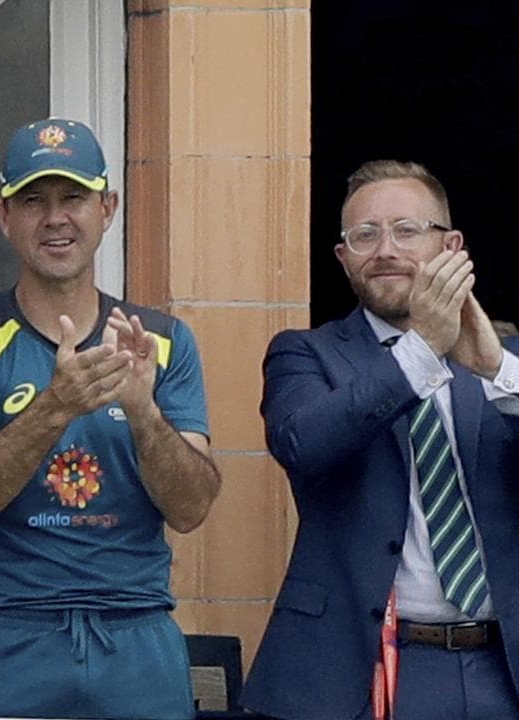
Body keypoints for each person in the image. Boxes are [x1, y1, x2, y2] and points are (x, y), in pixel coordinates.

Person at [0, 118, 221, 719]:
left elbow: (191, 508)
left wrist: (143, 412)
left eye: (73, 197)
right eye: (34, 201)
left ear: (107, 208)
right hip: (6, 637)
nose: (55, 218)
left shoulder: (161, 341)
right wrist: (57, 404)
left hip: (134, 635)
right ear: (3, 216)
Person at [242, 160, 519, 720]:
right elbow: (301, 443)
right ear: (343, 257)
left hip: (500, 666)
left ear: (451, 247)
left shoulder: (503, 361)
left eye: (407, 230)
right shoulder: (306, 353)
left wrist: (497, 370)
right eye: (364, 235)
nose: (385, 250)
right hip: (365, 672)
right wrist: (420, 352)